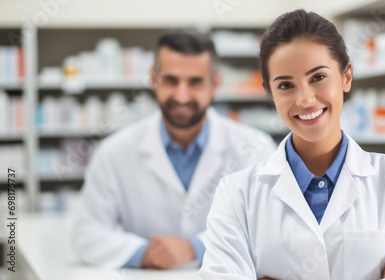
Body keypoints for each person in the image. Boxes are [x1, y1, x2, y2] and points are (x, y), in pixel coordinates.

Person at [200, 10, 385, 280]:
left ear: (346, 77)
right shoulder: (237, 194)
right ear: (270, 93)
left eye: (317, 78)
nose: (305, 100)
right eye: (285, 85)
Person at [71, 30, 277, 269]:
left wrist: (194, 248)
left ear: (215, 83)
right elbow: (85, 233)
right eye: (171, 80)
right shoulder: (114, 152)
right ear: (153, 79)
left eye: (195, 82)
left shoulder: (254, 147)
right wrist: (145, 253)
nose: (181, 96)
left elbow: (270, 228)